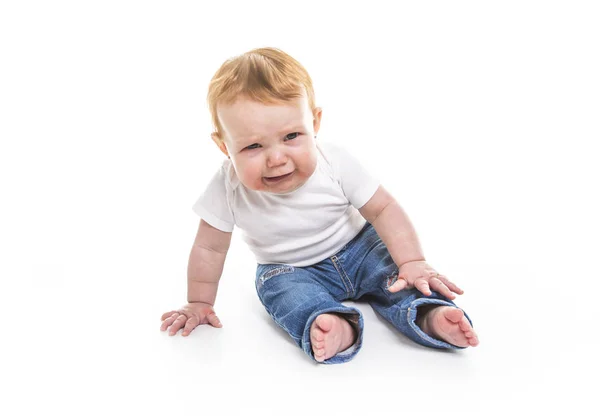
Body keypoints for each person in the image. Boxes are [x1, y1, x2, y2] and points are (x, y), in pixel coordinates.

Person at [160, 47, 479, 364]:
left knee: (398, 276)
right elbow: (209, 248)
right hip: (289, 268)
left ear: (315, 123)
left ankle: (429, 315)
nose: (276, 158)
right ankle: (331, 324)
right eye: (253, 146)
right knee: (284, 293)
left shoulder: (334, 162)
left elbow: (382, 209)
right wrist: (199, 302)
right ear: (223, 146)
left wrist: (412, 261)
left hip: (360, 249)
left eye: (291, 136)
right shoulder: (226, 186)